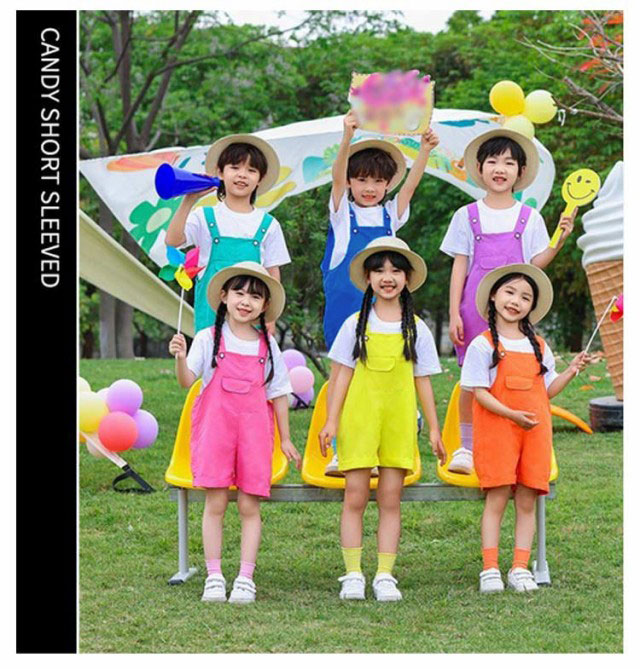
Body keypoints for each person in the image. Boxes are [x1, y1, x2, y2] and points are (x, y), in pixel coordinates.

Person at [441, 128, 577, 475]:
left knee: (512, 374)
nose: (499, 169)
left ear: (520, 172)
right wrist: (454, 312)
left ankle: (508, 438)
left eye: (508, 163)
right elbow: (460, 266)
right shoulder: (466, 215)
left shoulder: (529, 217)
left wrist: (560, 240)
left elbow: (535, 263)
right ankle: (467, 447)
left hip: (514, 315)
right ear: (479, 168)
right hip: (473, 311)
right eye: (492, 161)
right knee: (472, 380)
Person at [318, 237, 446, 602]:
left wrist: (434, 429)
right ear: (368, 278)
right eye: (379, 271)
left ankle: (385, 575)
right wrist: (331, 421)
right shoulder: (354, 325)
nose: (387, 277)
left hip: (399, 422)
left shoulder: (417, 328)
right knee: (355, 496)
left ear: (407, 278)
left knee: (391, 499)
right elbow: (340, 376)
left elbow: (423, 380)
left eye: (395, 271)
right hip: (358, 422)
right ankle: (353, 573)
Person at [169, 262, 301, 604]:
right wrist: (180, 358)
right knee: (215, 503)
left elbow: (279, 393)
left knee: (248, 505)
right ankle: (214, 576)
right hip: (216, 434)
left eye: (255, 297)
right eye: (239, 293)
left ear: (265, 305)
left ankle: (245, 578)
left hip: (254, 436)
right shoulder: (207, 338)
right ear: (224, 296)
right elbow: (187, 381)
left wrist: (286, 438)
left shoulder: (268, 346)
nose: (246, 301)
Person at [322, 109, 439, 475]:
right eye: (361, 180)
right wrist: (347, 136)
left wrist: (424, 151)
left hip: (384, 312)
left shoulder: (391, 216)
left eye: (377, 181)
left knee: (383, 378)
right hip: (344, 308)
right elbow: (336, 178)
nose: (369, 187)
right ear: (350, 181)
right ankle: (341, 448)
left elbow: (411, 187)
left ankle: (390, 439)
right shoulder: (342, 215)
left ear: (387, 184)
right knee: (343, 376)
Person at [461, 264, 589, 593]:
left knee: (528, 500)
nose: (516, 301)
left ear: (532, 306)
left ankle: (520, 567)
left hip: (534, 434)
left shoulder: (540, 346)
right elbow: (479, 394)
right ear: (493, 296)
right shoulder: (481, 345)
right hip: (497, 433)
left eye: (525, 297)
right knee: (497, 498)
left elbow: (546, 391)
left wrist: (571, 371)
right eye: (510, 292)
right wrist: (512, 415)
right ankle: (490, 568)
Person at [165, 134, 291, 333]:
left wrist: (271, 318)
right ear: (220, 172)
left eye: (251, 170)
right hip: (209, 320)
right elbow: (172, 240)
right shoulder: (204, 216)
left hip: (251, 320)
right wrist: (189, 200)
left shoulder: (269, 225)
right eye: (234, 167)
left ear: (260, 179)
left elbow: (272, 273)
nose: (242, 175)